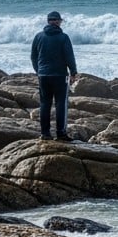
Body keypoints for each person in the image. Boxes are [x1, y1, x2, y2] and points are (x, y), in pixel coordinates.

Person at [29, 10, 77, 141]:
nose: (60, 22)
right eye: (59, 20)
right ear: (57, 21)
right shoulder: (63, 37)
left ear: (48, 21)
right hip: (60, 76)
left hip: (43, 75)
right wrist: (73, 72)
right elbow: (69, 57)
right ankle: (61, 133)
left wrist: (38, 71)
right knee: (61, 104)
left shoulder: (38, 36)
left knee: (45, 104)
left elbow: (33, 56)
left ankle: (45, 133)